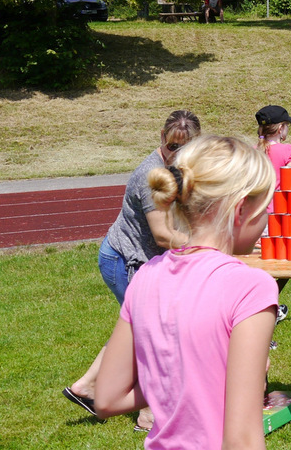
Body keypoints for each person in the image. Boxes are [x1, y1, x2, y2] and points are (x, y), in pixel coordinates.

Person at [94, 135, 278, 449]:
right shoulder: (251, 287)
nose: (267, 219)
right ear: (240, 208)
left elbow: (107, 398)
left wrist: (186, 378)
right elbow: (242, 438)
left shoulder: (146, 276)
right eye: (266, 208)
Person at [63, 110, 201, 431]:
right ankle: (149, 414)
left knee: (139, 330)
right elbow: (163, 235)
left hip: (145, 264)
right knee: (154, 335)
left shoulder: (181, 169)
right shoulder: (150, 174)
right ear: (161, 138)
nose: (175, 154)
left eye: (184, 148)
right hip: (124, 260)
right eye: (171, 146)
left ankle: (87, 386)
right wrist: (206, 244)